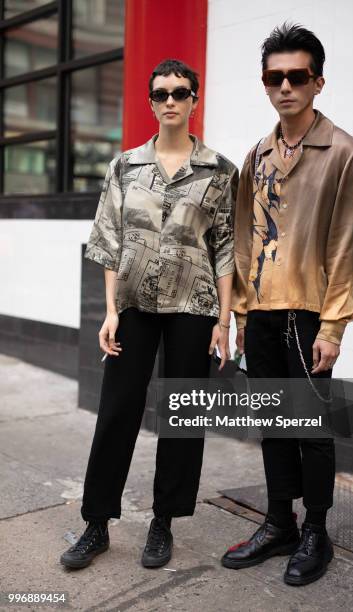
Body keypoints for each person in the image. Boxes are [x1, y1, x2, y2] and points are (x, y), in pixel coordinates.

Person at [60, 58, 238, 570]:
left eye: (180, 93)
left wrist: (224, 322)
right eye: (160, 94)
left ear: (194, 100)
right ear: (151, 101)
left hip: (194, 304)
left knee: (182, 416)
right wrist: (109, 310)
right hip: (134, 305)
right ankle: (96, 524)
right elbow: (109, 243)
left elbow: (226, 249)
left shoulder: (220, 172)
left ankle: (163, 522)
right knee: (117, 410)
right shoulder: (124, 167)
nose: (170, 102)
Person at [222, 23, 353, 586]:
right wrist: (238, 315)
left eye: (296, 76)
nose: (285, 86)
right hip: (259, 313)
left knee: (309, 428)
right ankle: (279, 520)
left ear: (318, 82)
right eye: (274, 77)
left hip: (308, 314)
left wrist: (332, 328)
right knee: (272, 424)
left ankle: (316, 531)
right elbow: (241, 238)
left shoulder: (344, 152)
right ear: (265, 84)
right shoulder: (255, 155)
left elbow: (347, 244)